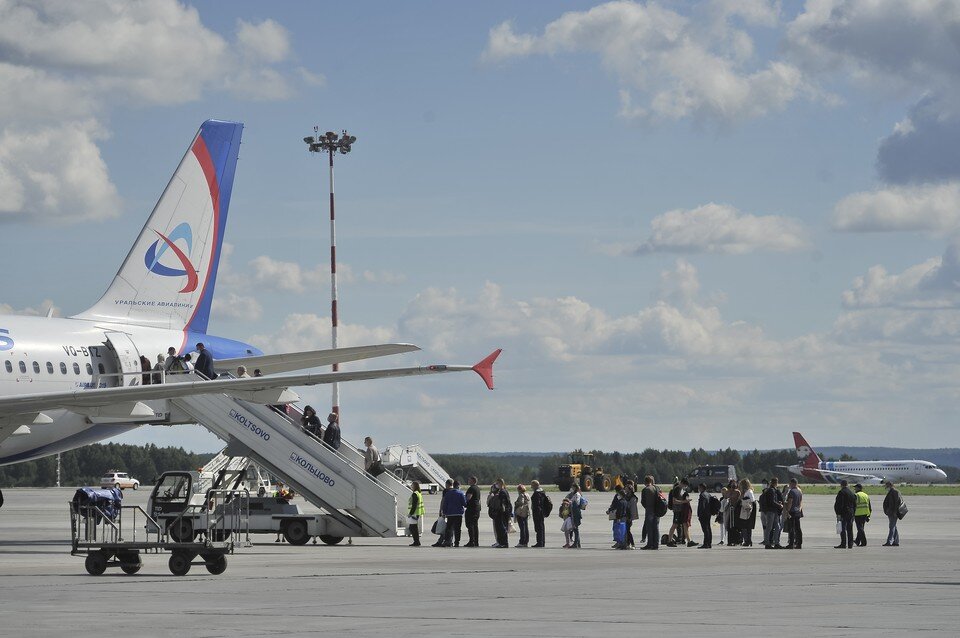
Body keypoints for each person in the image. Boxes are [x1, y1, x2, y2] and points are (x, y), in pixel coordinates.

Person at [438, 479, 466, 547]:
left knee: (448, 528)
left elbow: (445, 503)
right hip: (458, 514)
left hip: (450, 513)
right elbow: (464, 504)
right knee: (457, 529)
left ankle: (448, 541)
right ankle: (457, 542)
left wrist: (444, 512)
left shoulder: (448, 493)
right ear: (458, 486)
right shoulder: (461, 493)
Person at [759, 477, 785, 549]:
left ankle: (776, 542)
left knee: (777, 527)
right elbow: (771, 502)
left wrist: (778, 504)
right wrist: (779, 505)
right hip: (771, 511)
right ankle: (767, 543)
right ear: (776, 483)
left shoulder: (772, 490)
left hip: (774, 511)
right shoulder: (771, 491)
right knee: (769, 527)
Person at [487, 479, 512, 548]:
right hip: (502, 512)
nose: (496, 485)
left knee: (502, 528)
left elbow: (502, 503)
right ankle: (501, 542)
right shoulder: (504, 491)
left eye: (497, 483)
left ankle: (503, 543)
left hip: (501, 513)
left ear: (501, 483)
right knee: (500, 528)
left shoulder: (502, 492)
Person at [834, 479, 857, 549]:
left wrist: (838, 513)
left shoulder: (841, 492)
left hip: (843, 513)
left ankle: (843, 543)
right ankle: (850, 544)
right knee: (850, 528)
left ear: (841, 485)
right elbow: (855, 504)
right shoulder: (852, 493)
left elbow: (840, 504)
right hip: (851, 512)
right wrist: (853, 513)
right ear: (847, 485)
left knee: (842, 528)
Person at [640, 475, 660, 550]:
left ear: (645, 482)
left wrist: (648, 507)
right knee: (656, 527)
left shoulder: (645, 489)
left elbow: (643, 502)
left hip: (649, 510)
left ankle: (650, 544)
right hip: (658, 510)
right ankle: (656, 544)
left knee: (649, 528)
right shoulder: (657, 488)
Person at [784, 478, 804, 549]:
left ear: (792, 483)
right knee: (798, 528)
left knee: (791, 528)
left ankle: (791, 544)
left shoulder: (791, 492)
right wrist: (799, 509)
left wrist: (787, 511)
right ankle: (799, 543)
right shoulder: (799, 491)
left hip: (792, 512)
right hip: (797, 512)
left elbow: (790, 502)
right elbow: (801, 502)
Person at [737, 479, 757, 547]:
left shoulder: (749, 491)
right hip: (744, 510)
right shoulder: (745, 491)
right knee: (745, 527)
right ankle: (747, 540)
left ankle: (748, 541)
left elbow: (752, 500)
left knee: (747, 527)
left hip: (748, 511)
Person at [882, 480, 901, 547]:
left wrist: (895, 512)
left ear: (890, 485)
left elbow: (897, 503)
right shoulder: (891, 492)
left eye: (886, 486)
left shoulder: (895, 492)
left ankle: (889, 541)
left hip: (893, 513)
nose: (886, 487)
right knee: (894, 526)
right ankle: (896, 541)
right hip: (890, 512)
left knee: (891, 527)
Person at [530, 479, 549, 548]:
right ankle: (542, 542)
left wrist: (536, 511)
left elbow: (537, 504)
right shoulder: (542, 492)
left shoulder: (537, 494)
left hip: (537, 512)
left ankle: (539, 542)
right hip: (542, 512)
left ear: (535, 485)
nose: (531, 487)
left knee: (538, 527)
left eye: (532, 486)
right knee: (541, 527)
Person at [464, 476, 481, 547]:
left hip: (471, 509)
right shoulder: (477, 488)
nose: (468, 481)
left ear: (473, 481)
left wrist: (463, 501)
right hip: (477, 509)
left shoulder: (471, 488)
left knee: (470, 525)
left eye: (469, 480)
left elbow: (468, 498)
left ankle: (472, 541)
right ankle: (476, 541)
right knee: (475, 525)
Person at [695, 483, 713, 549]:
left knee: (705, 529)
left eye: (699, 487)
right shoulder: (708, 494)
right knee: (708, 528)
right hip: (708, 514)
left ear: (702, 488)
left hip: (703, 514)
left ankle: (706, 544)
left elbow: (702, 506)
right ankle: (709, 543)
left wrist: (700, 514)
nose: (698, 489)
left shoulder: (702, 495)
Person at [408, 481, 425, 546]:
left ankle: (417, 541)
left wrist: (410, 513)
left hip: (414, 513)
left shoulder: (415, 494)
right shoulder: (418, 493)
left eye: (412, 485)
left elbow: (414, 505)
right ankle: (416, 541)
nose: (411, 487)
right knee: (413, 527)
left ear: (414, 486)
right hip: (417, 513)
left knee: (413, 528)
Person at [623, 481, 639, 549]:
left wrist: (631, 517)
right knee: (626, 530)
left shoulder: (632, 498)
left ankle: (632, 544)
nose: (625, 490)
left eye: (626, 489)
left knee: (628, 530)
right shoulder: (626, 496)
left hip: (629, 516)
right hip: (625, 515)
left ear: (629, 490)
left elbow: (632, 508)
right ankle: (627, 543)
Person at [567, 483, 583, 548]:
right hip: (574, 512)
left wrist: (570, 502)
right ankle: (578, 543)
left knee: (575, 528)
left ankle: (576, 544)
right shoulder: (574, 494)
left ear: (575, 488)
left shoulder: (577, 494)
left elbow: (577, 502)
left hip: (575, 513)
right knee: (575, 528)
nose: (571, 488)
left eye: (572, 487)